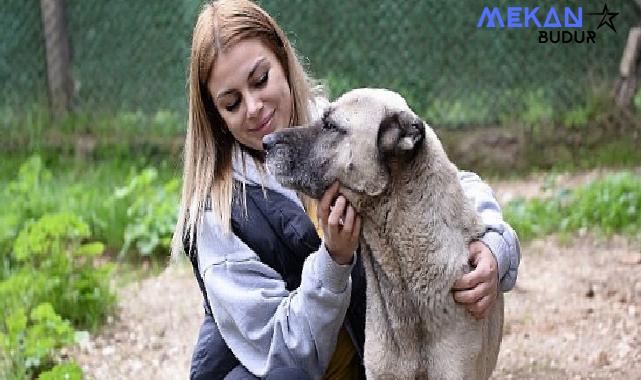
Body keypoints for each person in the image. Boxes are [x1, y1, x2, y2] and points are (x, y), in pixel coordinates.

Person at [170, 1, 521, 379]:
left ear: (284, 60)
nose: (254, 108)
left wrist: (495, 247)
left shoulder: (340, 130)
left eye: (260, 80)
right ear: (216, 116)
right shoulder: (218, 215)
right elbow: (285, 357)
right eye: (232, 102)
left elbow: (435, 179)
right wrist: (334, 261)